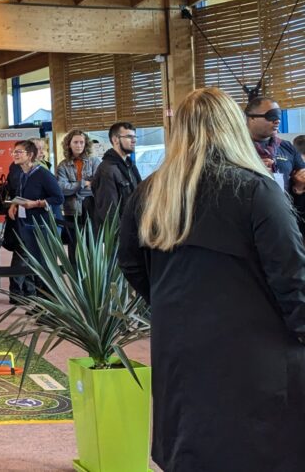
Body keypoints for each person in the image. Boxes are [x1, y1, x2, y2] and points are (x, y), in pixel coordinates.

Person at [118, 87, 305, 471]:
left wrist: (174, 305)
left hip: (180, 352)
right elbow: (293, 280)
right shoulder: (257, 190)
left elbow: (130, 265)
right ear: (233, 127)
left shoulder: (150, 193)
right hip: (256, 360)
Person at [5, 140, 63, 292]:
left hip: (43, 226)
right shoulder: (23, 173)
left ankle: (49, 302)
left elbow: (58, 198)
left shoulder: (43, 174)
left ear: (30, 155)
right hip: (27, 224)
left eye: (19, 152)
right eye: (14, 152)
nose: (14, 155)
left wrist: (36, 204)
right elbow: (21, 194)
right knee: (33, 264)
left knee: (45, 265)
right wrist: (14, 204)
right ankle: (38, 301)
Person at [245, 96, 305, 196]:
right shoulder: (235, 149)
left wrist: (298, 188)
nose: (278, 121)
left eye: (279, 116)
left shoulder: (286, 147)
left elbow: (301, 181)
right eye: (271, 116)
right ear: (251, 118)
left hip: (284, 209)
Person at [55, 129, 99, 260]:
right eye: (75, 142)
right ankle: (75, 275)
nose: (79, 145)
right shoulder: (62, 165)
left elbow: (97, 185)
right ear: (69, 144)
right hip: (71, 209)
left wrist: (73, 186)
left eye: (81, 142)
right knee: (74, 245)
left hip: (92, 206)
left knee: (92, 244)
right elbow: (62, 188)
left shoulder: (94, 161)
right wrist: (82, 183)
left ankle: (93, 276)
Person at [91, 122, 141, 231]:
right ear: (115, 140)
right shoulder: (107, 169)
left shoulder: (130, 165)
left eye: (135, 136)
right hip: (122, 234)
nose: (134, 140)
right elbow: (109, 210)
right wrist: (120, 236)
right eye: (129, 137)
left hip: (134, 227)